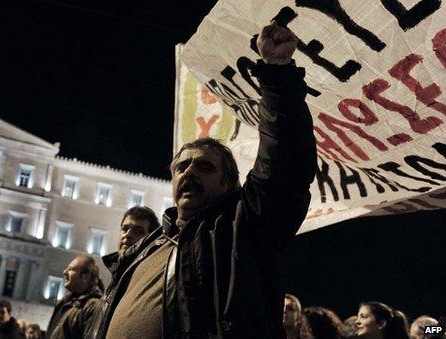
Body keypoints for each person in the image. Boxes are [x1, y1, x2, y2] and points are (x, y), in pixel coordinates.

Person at [97, 21, 317, 339]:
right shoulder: (146, 247)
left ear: (228, 182)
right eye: (182, 167)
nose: (189, 173)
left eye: (204, 168)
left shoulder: (241, 227)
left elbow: (285, 168)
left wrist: (278, 74)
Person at [102, 206, 160, 297]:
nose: (128, 234)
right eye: (125, 229)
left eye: (138, 231)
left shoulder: (151, 278)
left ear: (151, 240)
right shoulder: (115, 271)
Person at [45, 256, 103, 339]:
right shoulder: (65, 302)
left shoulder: (93, 306)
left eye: (71, 269)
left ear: (85, 276)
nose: (65, 272)